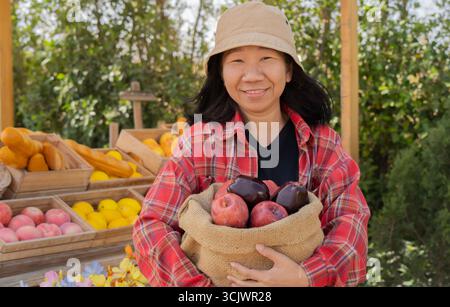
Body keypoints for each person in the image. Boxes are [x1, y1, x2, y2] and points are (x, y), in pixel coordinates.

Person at [133, 1, 370, 287]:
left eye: (267, 58)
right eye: (237, 61)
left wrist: (305, 277)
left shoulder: (322, 145)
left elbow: (351, 221)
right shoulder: (199, 143)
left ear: (289, 70)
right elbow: (151, 226)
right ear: (221, 72)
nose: (252, 74)